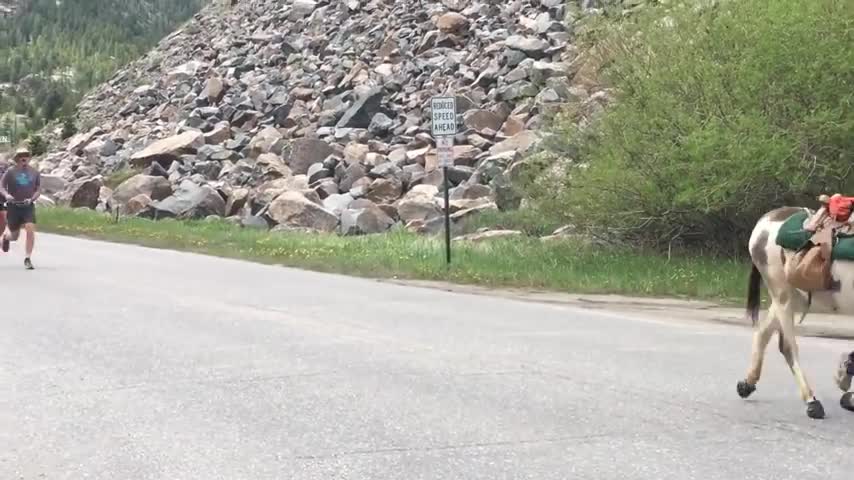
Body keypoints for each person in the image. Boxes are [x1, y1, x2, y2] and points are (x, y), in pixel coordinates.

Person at [0, 146, 41, 269]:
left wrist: (33, 198)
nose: (24, 157)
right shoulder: (10, 171)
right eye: (21, 155)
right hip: (13, 206)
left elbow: (38, 189)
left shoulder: (34, 172)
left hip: (28, 206)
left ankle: (28, 258)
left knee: (30, 228)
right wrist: (7, 195)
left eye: (26, 155)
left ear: (29, 158)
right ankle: (6, 238)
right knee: (14, 236)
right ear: (17, 158)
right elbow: (1, 186)